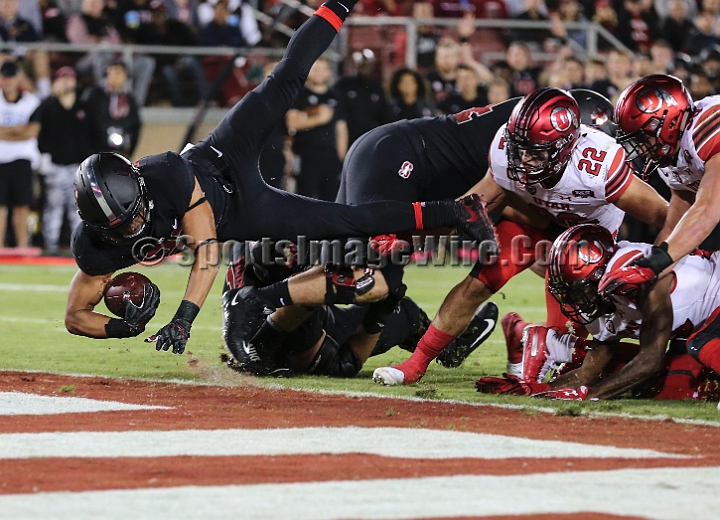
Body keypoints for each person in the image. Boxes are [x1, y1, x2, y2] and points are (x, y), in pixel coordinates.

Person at [65, 3, 494, 356]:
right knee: (347, 221)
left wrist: (183, 319)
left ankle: (339, 4)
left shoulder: (164, 172)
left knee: (286, 79)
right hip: (247, 215)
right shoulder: (96, 243)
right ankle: (454, 211)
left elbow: (208, 249)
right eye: (123, 226)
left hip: (222, 159)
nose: (136, 226)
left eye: (136, 213)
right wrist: (121, 328)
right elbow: (76, 316)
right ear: (102, 227)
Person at [372, 87, 670, 386]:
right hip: (533, 226)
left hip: (587, 246)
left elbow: (663, 216)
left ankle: (523, 336)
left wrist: (667, 258)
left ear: (566, 146)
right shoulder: (506, 146)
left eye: (536, 152)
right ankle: (416, 363)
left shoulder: (599, 165)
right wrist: (407, 233)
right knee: (477, 285)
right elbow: (468, 208)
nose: (524, 159)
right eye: (520, 148)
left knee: (569, 347)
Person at [476, 224, 720, 402]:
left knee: (699, 348)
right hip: (699, 324)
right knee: (666, 385)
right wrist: (538, 389)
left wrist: (591, 395)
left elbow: (651, 360)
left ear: (597, 276)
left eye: (578, 292)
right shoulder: (601, 300)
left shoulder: (639, 277)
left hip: (713, 307)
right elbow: (590, 371)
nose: (574, 301)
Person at [600, 74, 720, 302]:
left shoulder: (708, 126)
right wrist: (643, 274)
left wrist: (654, 265)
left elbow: (707, 211)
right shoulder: (676, 155)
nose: (641, 149)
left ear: (669, 123)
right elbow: (674, 228)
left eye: (643, 138)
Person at [36, 66, 94, 254]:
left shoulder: (84, 107)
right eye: (63, 78)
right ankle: (51, 245)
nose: (67, 82)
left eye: (70, 78)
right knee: (53, 207)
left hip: (78, 167)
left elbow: (95, 136)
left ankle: (78, 247)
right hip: (55, 166)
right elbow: (38, 134)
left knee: (78, 210)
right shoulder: (48, 107)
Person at [286, 56, 347, 202]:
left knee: (331, 200)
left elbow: (341, 129)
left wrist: (342, 159)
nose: (318, 73)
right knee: (303, 199)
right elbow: (292, 122)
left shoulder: (336, 96)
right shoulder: (299, 95)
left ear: (329, 73)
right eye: (315, 69)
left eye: (322, 69)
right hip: (306, 156)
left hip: (330, 157)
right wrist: (319, 119)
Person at [0, 60, 40, 249]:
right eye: (4, 77)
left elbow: (32, 131)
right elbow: (25, 131)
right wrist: (18, 131)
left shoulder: (31, 102)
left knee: (21, 206)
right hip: (1, 159)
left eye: (10, 77)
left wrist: (4, 132)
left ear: (18, 78)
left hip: (22, 160)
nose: (7, 81)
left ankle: (22, 248)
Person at [82, 59, 142, 158]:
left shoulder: (129, 99)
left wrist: (130, 151)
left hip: (121, 149)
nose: (115, 76)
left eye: (119, 73)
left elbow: (136, 124)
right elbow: (88, 120)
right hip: (97, 149)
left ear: (125, 76)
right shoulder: (96, 94)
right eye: (112, 72)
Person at [334, 49, 387, 146]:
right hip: (347, 139)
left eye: (367, 64)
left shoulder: (376, 88)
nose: (364, 67)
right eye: (361, 64)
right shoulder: (343, 85)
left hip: (370, 139)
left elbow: (384, 115)